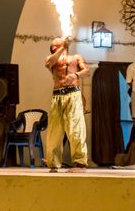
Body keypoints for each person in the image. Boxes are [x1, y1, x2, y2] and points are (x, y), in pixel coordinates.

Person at [45, 37, 90, 172]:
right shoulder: (51, 59)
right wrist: (62, 47)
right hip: (58, 96)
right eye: (56, 43)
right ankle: (53, 163)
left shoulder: (76, 57)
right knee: (54, 131)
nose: (60, 42)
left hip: (73, 95)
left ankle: (80, 163)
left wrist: (76, 75)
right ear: (54, 48)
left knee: (76, 129)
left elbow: (87, 71)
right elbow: (50, 62)